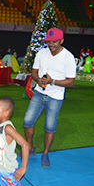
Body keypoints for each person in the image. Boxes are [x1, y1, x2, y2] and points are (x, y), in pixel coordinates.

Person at [23, 28, 76, 168]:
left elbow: (71, 81)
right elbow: (34, 72)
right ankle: (30, 148)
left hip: (55, 97)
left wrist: (52, 81)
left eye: (54, 41)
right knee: (27, 121)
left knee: (49, 127)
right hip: (39, 93)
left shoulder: (68, 57)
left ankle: (45, 154)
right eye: (49, 41)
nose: (51, 44)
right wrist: (38, 80)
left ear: (61, 41)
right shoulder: (41, 53)